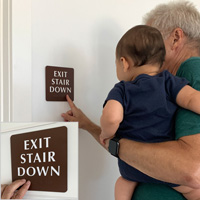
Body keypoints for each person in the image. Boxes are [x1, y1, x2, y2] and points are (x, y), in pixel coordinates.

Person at [61, 1, 200, 199]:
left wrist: (110, 138)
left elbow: (191, 171)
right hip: (160, 181)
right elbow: (133, 144)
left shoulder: (192, 69)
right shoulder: (170, 83)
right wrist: (89, 126)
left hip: (135, 176)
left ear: (176, 38)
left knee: (122, 183)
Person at [99, 24, 200, 200]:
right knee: (194, 190)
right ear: (161, 63)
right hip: (168, 165)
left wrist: (106, 134)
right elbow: (192, 99)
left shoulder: (122, 90)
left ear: (124, 63)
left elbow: (112, 118)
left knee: (122, 184)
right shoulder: (169, 81)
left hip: (133, 167)